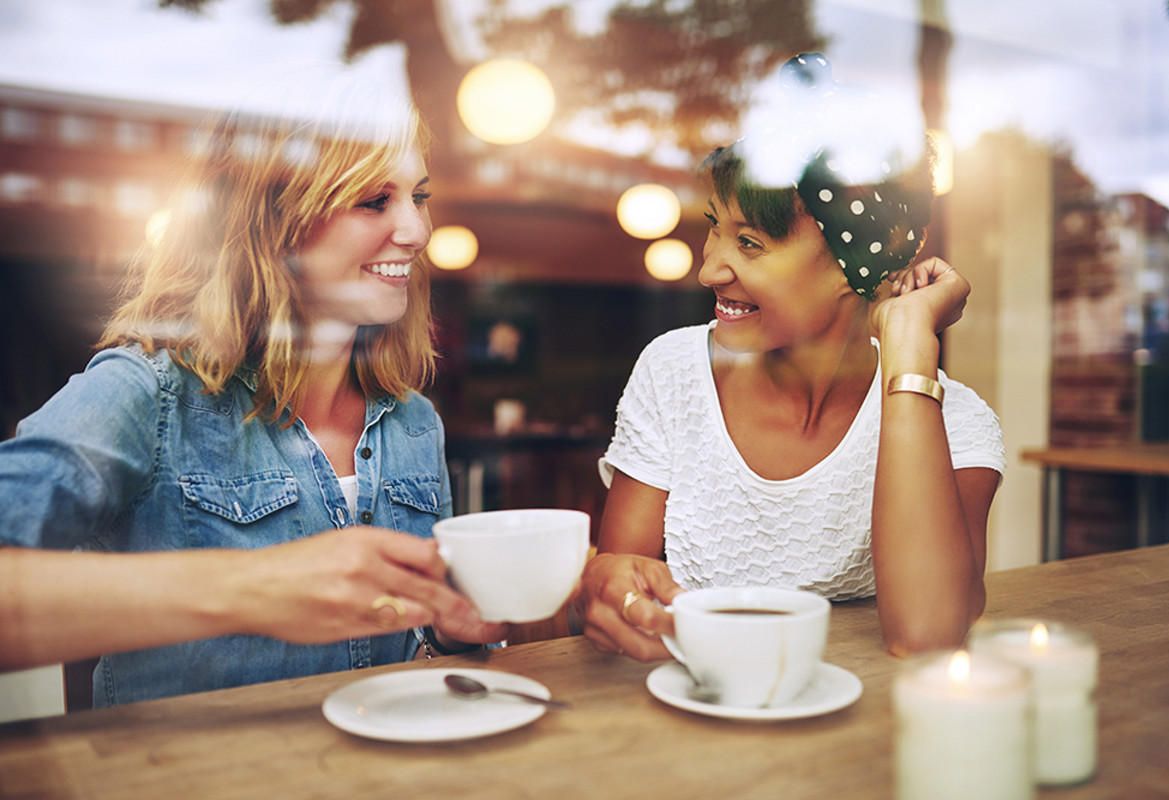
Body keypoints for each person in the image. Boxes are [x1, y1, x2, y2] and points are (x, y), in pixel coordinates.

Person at [0, 73, 506, 705]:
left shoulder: (413, 420)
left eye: (419, 196)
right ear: (273, 221)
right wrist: (253, 586)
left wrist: (455, 636)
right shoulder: (146, 394)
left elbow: (412, 651)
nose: (416, 231)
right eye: (375, 200)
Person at [580, 53, 1005, 661]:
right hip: (692, 712)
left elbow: (927, 636)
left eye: (749, 242)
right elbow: (624, 592)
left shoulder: (953, 423)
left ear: (858, 263)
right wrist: (604, 591)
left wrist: (910, 341)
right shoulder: (674, 372)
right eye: (714, 228)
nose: (709, 268)